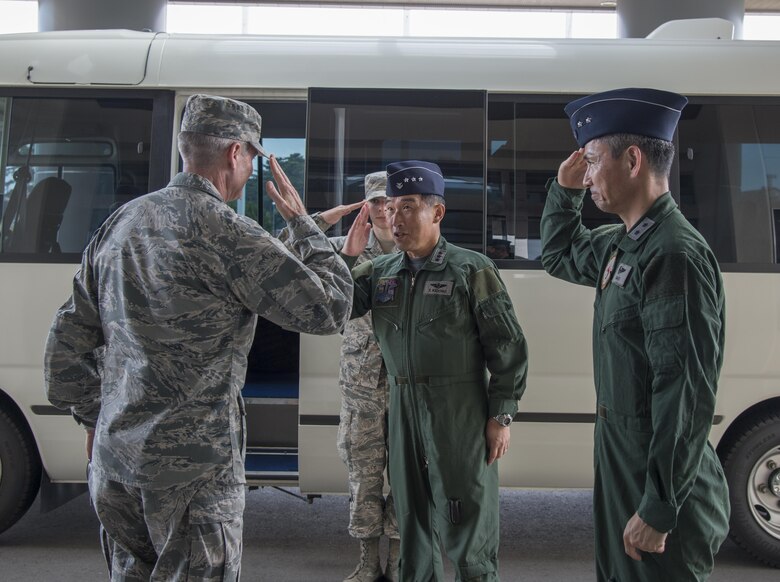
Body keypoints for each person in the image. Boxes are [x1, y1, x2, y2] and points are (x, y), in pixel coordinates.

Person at [43, 94, 354, 581]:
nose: (251, 168)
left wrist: (95, 420)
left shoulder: (121, 223)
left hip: (115, 467)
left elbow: (63, 349)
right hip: (192, 476)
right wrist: (303, 225)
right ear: (235, 153)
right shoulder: (229, 232)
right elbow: (329, 308)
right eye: (252, 157)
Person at [540, 88, 730, 581]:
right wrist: (566, 192)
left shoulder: (673, 253)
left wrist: (660, 507)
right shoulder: (624, 243)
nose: (587, 175)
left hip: (656, 474)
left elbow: (683, 391)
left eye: (593, 161)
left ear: (632, 159)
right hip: (624, 461)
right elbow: (559, 255)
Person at [341, 160, 529, 582]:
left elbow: (507, 346)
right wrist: (349, 255)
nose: (395, 218)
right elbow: (339, 307)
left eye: (407, 206)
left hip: (457, 409)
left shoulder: (471, 269)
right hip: (402, 406)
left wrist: (501, 414)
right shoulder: (381, 272)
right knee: (411, 519)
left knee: (467, 516)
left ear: (437, 213)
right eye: (390, 208)